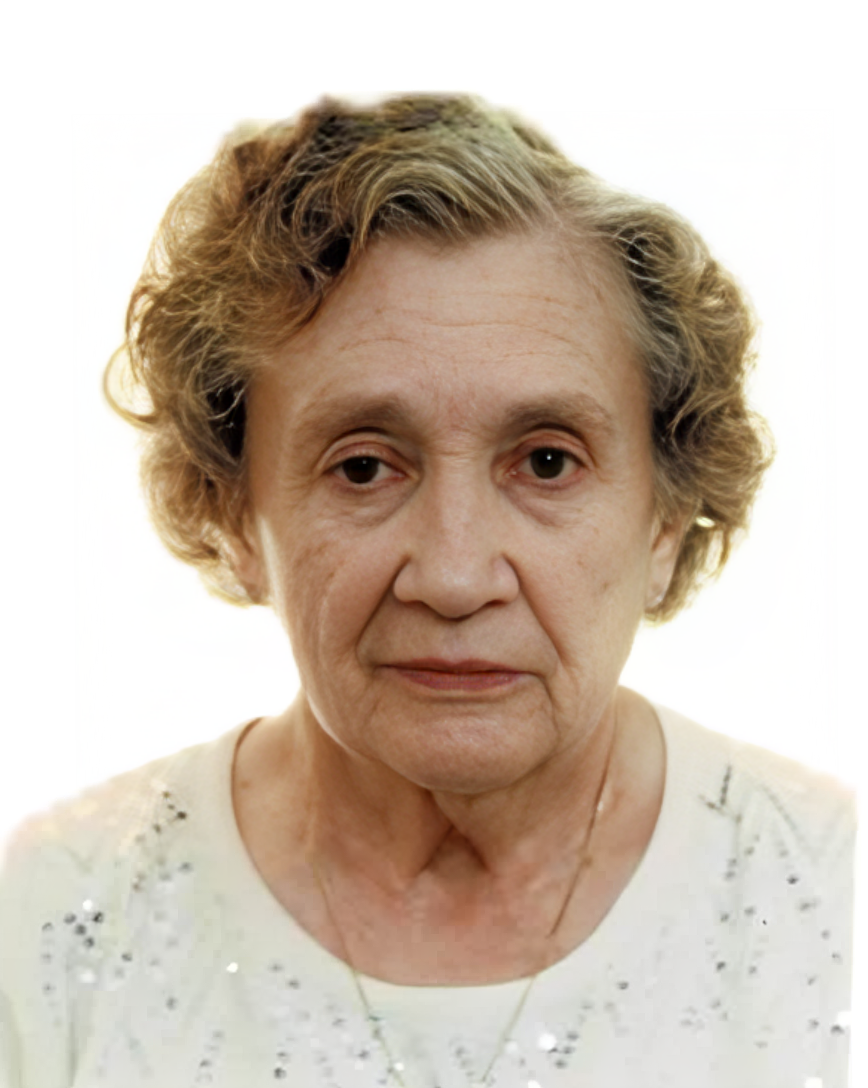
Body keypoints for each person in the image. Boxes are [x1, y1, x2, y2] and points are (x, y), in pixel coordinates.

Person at [0, 94, 854, 1088]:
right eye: (364, 467)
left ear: (665, 519)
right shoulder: (54, 914)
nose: (454, 576)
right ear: (231, 509)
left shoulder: (832, 896)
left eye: (546, 462)